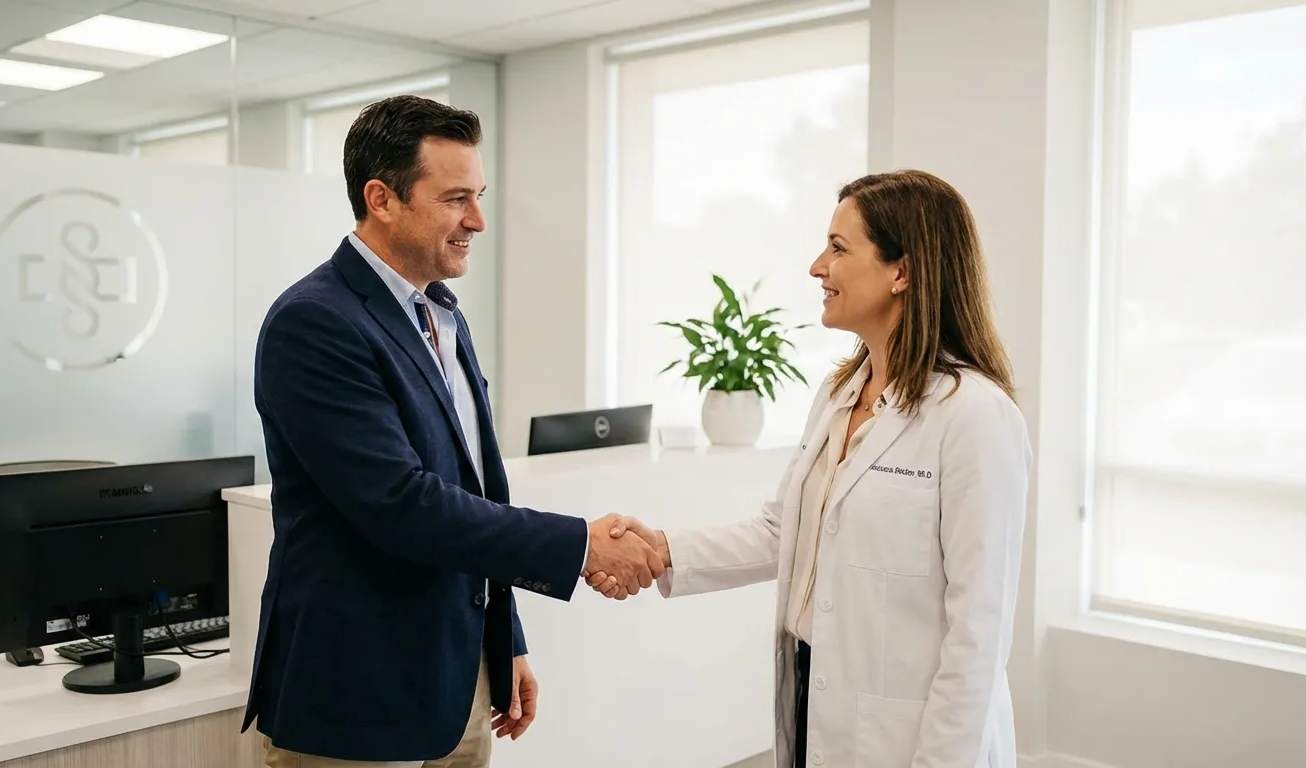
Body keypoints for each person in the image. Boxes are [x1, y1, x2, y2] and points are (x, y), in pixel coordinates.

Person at [244, 95, 665, 768]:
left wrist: (506, 640)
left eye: (479, 195)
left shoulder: (442, 315)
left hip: (462, 676)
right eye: (455, 198)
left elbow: (473, 490)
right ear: (381, 199)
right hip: (359, 692)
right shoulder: (314, 322)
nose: (478, 219)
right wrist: (579, 544)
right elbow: (400, 503)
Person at [587, 170, 1031, 768]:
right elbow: (785, 532)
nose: (818, 267)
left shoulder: (975, 416)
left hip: (909, 731)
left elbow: (978, 631)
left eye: (839, 248)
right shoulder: (839, 392)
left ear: (903, 271)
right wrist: (663, 548)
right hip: (811, 689)